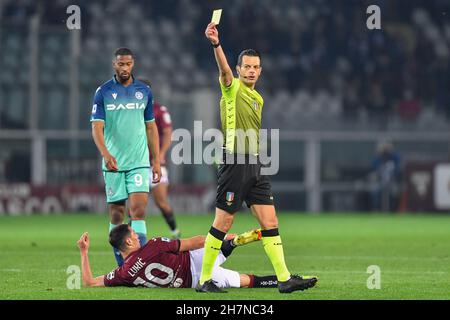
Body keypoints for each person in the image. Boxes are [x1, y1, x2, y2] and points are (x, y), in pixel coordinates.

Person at [196, 22, 318, 294]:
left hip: (254, 163)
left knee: (270, 221)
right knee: (223, 222)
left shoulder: (258, 98)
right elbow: (223, 71)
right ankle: (205, 280)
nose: (250, 71)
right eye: (246, 67)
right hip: (235, 162)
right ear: (239, 70)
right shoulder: (233, 88)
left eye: (255, 67)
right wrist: (216, 44)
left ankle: (284, 279)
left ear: (260, 71)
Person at [91, 47, 162, 267]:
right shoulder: (102, 92)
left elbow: (151, 128)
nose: (125, 68)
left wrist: (156, 160)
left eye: (128, 64)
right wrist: (105, 153)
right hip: (113, 164)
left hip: (139, 162)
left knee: (138, 210)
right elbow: (97, 128)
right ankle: (122, 266)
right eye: (121, 64)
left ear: (133, 64)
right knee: (117, 215)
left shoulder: (144, 91)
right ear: (114, 65)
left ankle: (139, 264)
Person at [77, 225, 279, 290]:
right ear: (128, 242)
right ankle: (232, 242)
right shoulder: (153, 246)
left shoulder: (123, 273)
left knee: (244, 281)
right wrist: (224, 236)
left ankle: (278, 280)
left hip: (192, 281)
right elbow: (196, 241)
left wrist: (84, 252)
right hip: (194, 261)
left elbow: (89, 282)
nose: (137, 235)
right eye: (133, 234)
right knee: (219, 248)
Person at [139, 79, 181, 239]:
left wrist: (161, 153)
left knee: (161, 202)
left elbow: (168, 133)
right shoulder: (132, 110)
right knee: (136, 206)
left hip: (155, 164)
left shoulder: (159, 110)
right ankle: (133, 239)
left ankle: (175, 232)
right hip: (137, 164)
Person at [370, 141, 402, 211]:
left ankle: (393, 210)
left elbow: (398, 169)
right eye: (384, 147)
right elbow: (374, 168)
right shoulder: (378, 158)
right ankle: (377, 209)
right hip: (380, 181)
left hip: (392, 181)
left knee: (395, 192)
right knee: (375, 191)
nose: (385, 149)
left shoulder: (394, 157)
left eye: (387, 147)